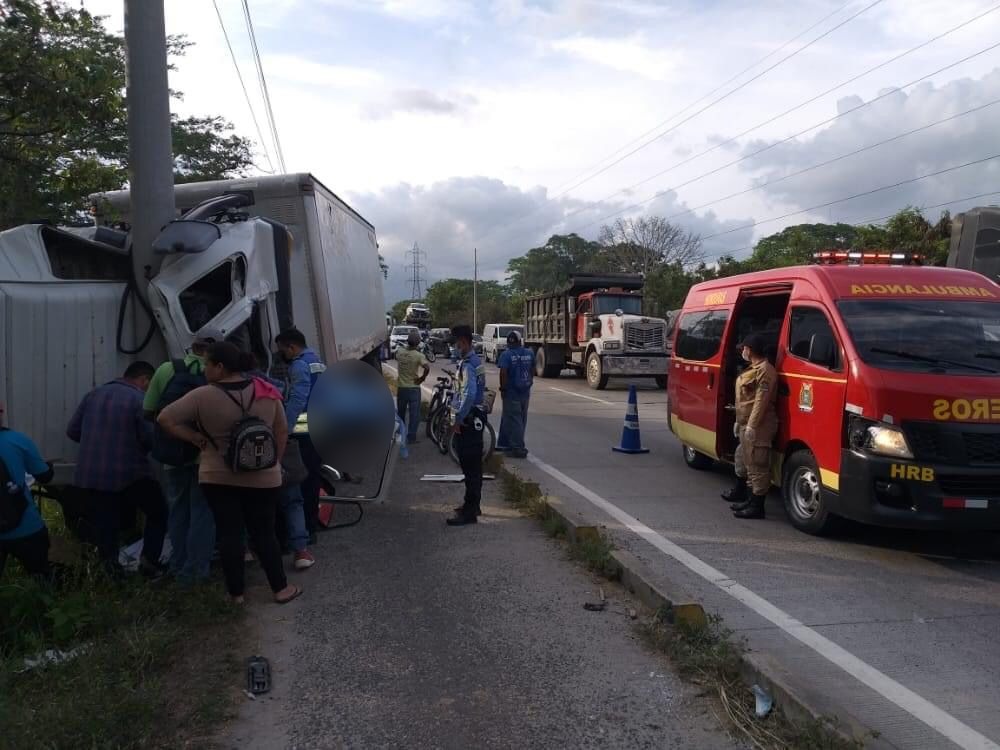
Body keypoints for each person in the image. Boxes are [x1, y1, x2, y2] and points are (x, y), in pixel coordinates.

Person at [157, 341, 302, 604]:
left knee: (229, 534)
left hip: (217, 476)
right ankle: (280, 589)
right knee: (264, 533)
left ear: (220, 367)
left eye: (207, 364)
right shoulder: (265, 390)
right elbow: (281, 431)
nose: (204, 370)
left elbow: (164, 418)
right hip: (264, 476)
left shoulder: (202, 396)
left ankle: (236, 594)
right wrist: (273, 462)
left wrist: (195, 438)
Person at [67, 361, 167, 577]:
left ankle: (110, 571)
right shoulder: (139, 399)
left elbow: (73, 431)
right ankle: (149, 563)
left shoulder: (92, 395)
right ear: (145, 380)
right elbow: (150, 438)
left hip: (92, 473)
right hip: (129, 471)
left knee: (106, 522)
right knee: (158, 512)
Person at [144, 329, 221, 586]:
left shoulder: (167, 369)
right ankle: (197, 571)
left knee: (178, 510)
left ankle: (178, 566)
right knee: (203, 512)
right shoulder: (217, 373)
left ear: (193, 346)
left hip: (172, 454)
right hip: (205, 455)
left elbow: (149, 410)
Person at [274, 328, 326, 541]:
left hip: (303, 432)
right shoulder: (317, 361)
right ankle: (311, 526)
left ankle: (303, 530)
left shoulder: (299, 365)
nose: (282, 355)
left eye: (282, 350)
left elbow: (297, 399)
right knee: (313, 478)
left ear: (292, 347)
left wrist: (283, 427)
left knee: (300, 482)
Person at [0, 403, 54, 579]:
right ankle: (46, 604)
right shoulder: (18, 440)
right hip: (25, 527)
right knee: (41, 578)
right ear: (1, 411)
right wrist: (49, 466)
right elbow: (45, 477)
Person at [730, 334, 778, 520]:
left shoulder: (765, 371)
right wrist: (738, 421)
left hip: (759, 426)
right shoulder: (753, 369)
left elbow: (761, 401)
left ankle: (758, 507)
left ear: (749, 349)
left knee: (758, 465)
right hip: (746, 424)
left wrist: (752, 425)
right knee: (747, 463)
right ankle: (750, 500)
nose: (742, 351)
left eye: (744, 348)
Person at [447, 324, 487, 527]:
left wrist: (458, 419)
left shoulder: (469, 364)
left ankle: (470, 513)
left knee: (470, 467)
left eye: (455, 343)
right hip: (474, 418)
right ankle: (472, 505)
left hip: (469, 420)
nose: (454, 347)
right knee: (473, 468)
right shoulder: (471, 361)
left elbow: (469, 394)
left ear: (463, 341)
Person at [497, 331, 534, 459]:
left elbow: (503, 373)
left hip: (511, 392)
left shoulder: (506, 355)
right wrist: (529, 381)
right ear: (520, 341)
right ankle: (504, 443)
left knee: (514, 419)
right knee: (517, 419)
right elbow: (532, 369)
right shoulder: (529, 353)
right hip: (525, 391)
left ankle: (517, 448)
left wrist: (503, 389)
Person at [395, 331, 430, 444]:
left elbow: (397, 356)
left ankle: (400, 435)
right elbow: (427, 367)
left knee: (401, 412)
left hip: (401, 387)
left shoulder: (399, 352)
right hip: (414, 388)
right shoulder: (419, 355)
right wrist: (422, 378)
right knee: (414, 414)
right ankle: (411, 437)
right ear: (418, 343)